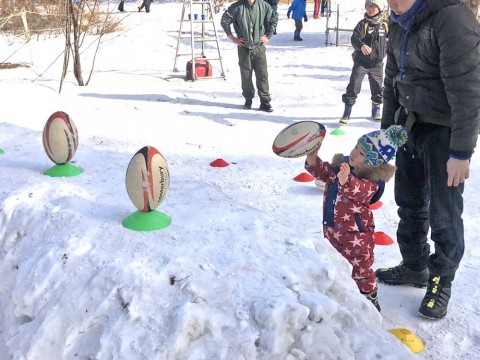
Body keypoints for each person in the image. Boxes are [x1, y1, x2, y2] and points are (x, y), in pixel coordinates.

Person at [375, 0, 480, 320]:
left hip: (444, 133)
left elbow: (468, 90)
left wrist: (460, 152)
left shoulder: (451, 18)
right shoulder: (397, 21)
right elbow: (392, 80)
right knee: (408, 203)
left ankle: (441, 279)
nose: (391, 2)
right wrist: (387, 136)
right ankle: (414, 266)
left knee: (444, 213)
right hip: (409, 126)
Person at [305, 125, 408, 312]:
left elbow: (359, 190)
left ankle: (370, 301)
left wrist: (346, 181)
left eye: (361, 153)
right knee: (335, 262)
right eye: (356, 147)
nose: (354, 153)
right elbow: (323, 173)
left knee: (360, 270)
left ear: (371, 162)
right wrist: (312, 158)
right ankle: (340, 293)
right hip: (332, 229)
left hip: (357, 236)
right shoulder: (342, 167)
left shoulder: (371, 182)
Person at [221, 0, 278, 112]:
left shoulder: (264, 6)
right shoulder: (237, 7)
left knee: (262, 75)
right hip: (244, 48)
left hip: (259, 48)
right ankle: (248, 100)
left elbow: (273, 19)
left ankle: (265, 102)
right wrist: (232, 38)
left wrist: (268, 35)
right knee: (246, 76)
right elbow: (225, 20)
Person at [340, 0, 388, 124]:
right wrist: (361, 46)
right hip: (361, 63)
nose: (370, 9)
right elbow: (354, 38)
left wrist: (388, 47)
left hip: (377, 64)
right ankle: (347, 110)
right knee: (354, 86)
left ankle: (376, 108)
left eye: (373, 6)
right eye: (368, 6)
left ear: (379, 8)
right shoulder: (363, 24)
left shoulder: (385, 25)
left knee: (378, 88)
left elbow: (393, 38)